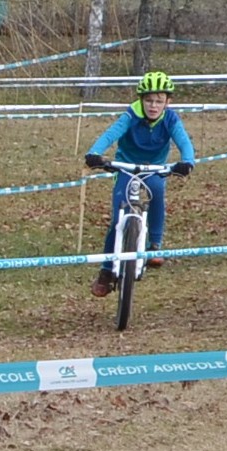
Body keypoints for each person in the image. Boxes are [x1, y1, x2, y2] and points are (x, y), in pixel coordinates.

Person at [81, 69, 195, 296]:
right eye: (149, 100)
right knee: (118, 216)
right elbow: (110, 134)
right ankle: (105, 270)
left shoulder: (171, 119)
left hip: (153, 168)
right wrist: (95, 153)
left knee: (157, 189)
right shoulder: (131, 115)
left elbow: (184, 141)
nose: (153, 105)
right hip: (126, 166)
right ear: (141, 100)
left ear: (167, 102)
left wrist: (187, 161)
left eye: (159, 101)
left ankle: (154, 245)